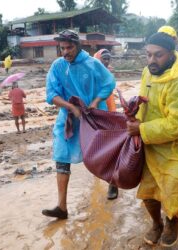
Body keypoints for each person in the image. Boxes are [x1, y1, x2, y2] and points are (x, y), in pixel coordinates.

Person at [126, 32, 178, 247]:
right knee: (149, 192)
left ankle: (172, 223)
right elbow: (145, 101)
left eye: (158, 55)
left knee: (173, 192)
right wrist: (133, 112)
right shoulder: (147, 73)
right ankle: (156, 223)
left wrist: (141, 129)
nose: (152, 60)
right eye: (148, 55)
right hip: (151, 144)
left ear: (171, 54)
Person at [43, 30, 115, 219]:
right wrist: (70, 107)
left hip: (93, 116)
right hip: (69, 118)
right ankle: (62, 207)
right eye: (62, 48)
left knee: (102, 152)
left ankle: (113, 181)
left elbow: (108, 83)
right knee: (61, 155)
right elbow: (51, 94)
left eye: (69, 47)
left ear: (78, 46)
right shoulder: (57, 66)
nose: (65, 52)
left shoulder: (93, 64)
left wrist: (94, 102)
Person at [94, 48, 118, 200]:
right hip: (95, 114)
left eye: (108, 58)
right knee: (97, 149)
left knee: (110, 150)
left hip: (109, 113)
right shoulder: (91, 72)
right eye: (104, 58)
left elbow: (110, 95)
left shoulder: (108, 74)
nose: (106, 61)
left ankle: (113, 184)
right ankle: (98, 179)